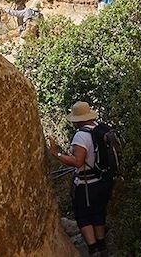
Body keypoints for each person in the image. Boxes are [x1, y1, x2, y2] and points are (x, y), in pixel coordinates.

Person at [49, 101, 112, 257]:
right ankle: (102, 246)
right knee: (98, 213)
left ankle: (93, 249)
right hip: (101, 180)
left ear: (78, 120)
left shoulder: (81, 136)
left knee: (83, 215)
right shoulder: (98, 129)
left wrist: (56, 154)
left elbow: (78, 161)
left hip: (86, 185)